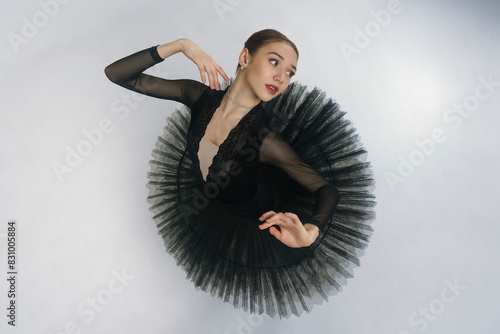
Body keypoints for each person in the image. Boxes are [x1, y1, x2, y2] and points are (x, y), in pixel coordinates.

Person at [105, 29, 375, 318]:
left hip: (260, 216)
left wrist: (310, 233)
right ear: (245, 57)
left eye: (290, 73)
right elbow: (117, 74)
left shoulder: (265, 140)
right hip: (214, 199)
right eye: (274, 62)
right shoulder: (196, 95)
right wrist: (182, 45)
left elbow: (328, 190)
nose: (281, 78)